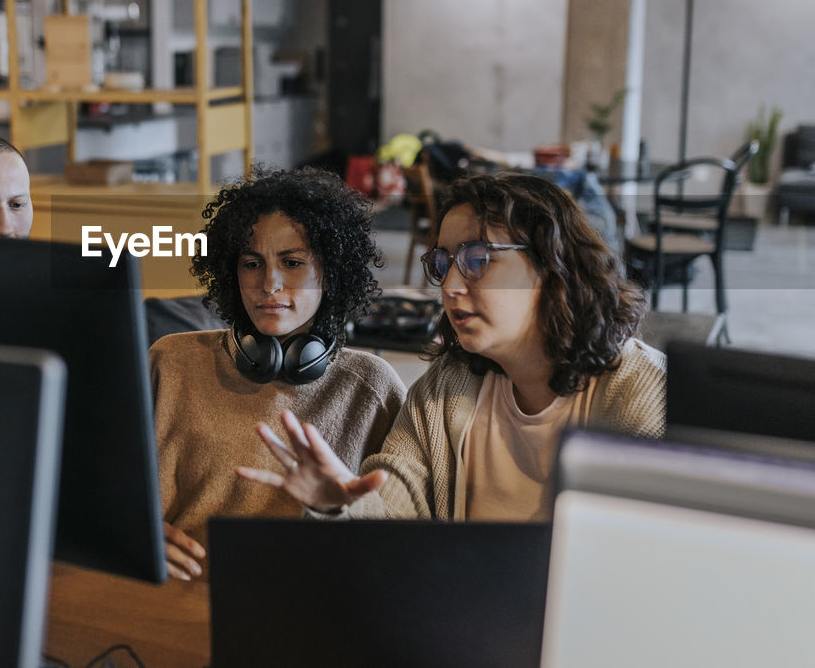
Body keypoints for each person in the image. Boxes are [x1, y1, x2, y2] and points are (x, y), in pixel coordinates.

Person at [239, 171, 666, 523]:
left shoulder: (639, 391)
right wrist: (341, 503)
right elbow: (394, 505)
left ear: (552, 265)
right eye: (443, 264)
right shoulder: (444, 389)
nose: (450, 286)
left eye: (477, 259)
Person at [151, 167, 407, 580]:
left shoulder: (371, 386)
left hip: (305, 608)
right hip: (172, 599)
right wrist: (137, 535)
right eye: (252, 263)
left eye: (292, 263)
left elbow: (403, 538)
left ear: (331, 271)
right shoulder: (170, 360)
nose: (269, 284)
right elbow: (103, 495)